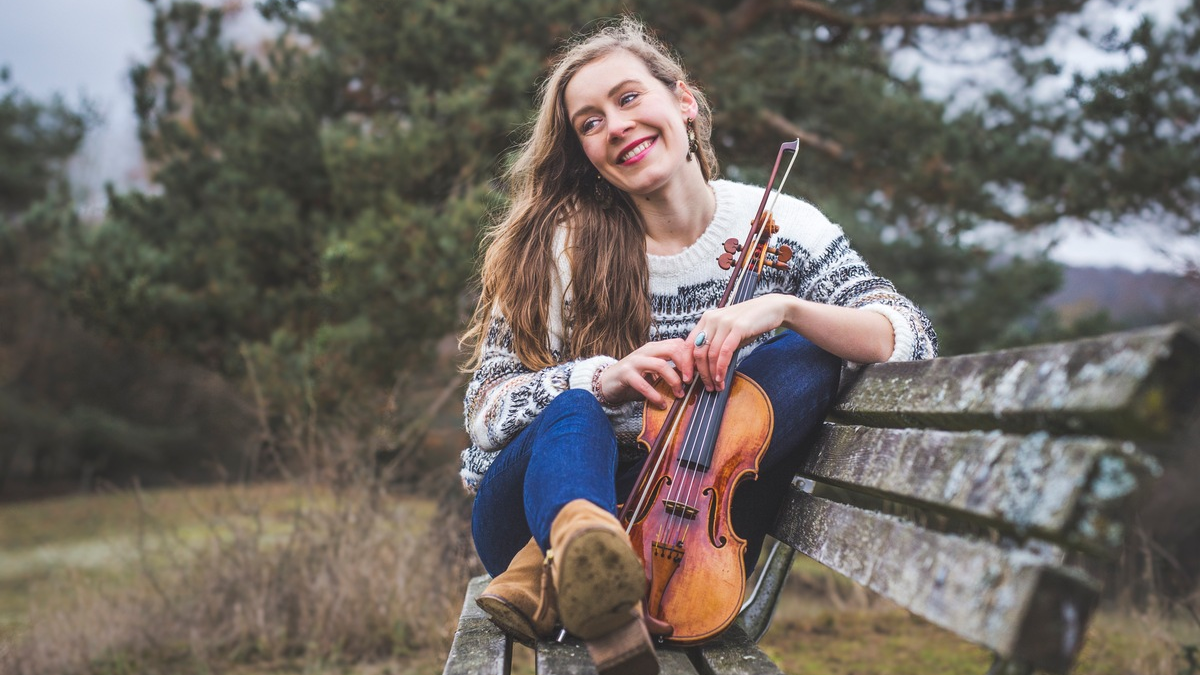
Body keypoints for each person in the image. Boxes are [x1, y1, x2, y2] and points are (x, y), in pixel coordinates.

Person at [458, 17, 937, 675]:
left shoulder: (781, 228)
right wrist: (604, 378)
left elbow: (908, 336)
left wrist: (785, 307)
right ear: (584, 153)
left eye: (628, 98)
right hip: (533, 515)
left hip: (686, 528)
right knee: (576, 408)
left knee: (809, 350)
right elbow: (485, 407)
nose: (615, 125)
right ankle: (587, 572)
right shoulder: (559, 250)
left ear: (683, 101)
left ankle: (586, 589)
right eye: (590, 122)